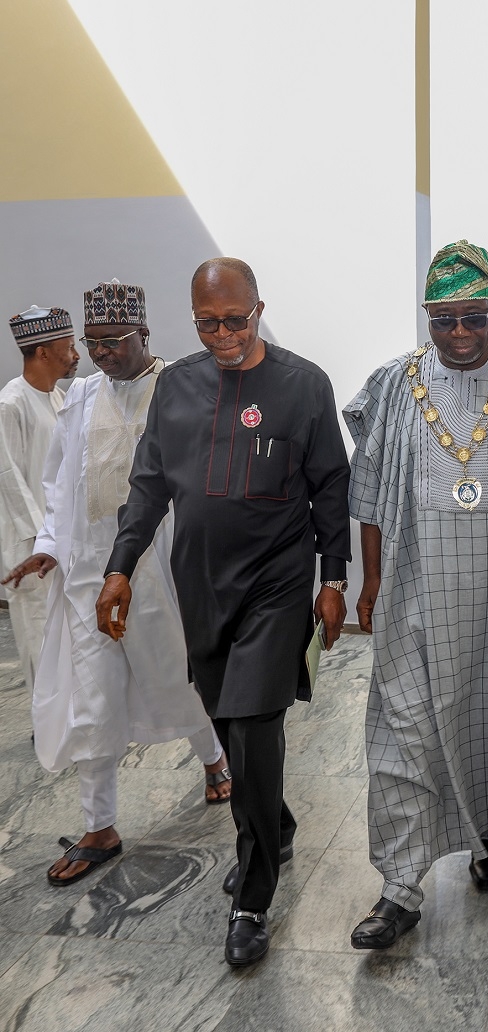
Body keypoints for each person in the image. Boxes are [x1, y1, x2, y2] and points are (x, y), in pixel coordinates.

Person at [95, 258, 352, 968]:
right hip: (201, 587)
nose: (223, 335)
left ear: (259, 309)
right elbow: (147, 485)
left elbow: (331, 485)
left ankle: (253, 899)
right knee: (232, 725)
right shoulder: (176, 386)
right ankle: (279, 820)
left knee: (256, 725)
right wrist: (120, 566)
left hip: (276, 584)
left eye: (235, 319)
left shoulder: (303, 386)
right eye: (207, 323)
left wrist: (335, 579)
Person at [344, 239, 488, 950]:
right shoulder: (394, 383)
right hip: (417, 593)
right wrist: (372, 582)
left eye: (472, 317)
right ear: (427, 316)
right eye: (443, 320)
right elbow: (371, 495)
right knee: (403, 733)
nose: (459, 334)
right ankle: (400, 887)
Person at [2, 280, 229, 889]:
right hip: (88, 572)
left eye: (114, 341)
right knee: (92, 699)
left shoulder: (180, 387)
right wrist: (49, 545)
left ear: (144, 334)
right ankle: (99, 825)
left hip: (162, 568)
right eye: (93, 342)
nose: (101, 353)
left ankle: (213, 759)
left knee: (177, 674)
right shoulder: (79, 398)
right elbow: (60, 481)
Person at [0, 306, 78, 696]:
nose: (76, 353)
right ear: (43, 352)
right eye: (69, 346)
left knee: (62, 633)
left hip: (56, 539)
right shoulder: (10, 404)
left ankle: (62, 715)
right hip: (27, 543)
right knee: (36, 635)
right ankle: (41, 723)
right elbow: (8, 477)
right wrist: (39, 537)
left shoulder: (58, 398)